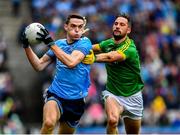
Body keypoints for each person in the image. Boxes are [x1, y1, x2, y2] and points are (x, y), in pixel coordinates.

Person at [21, 14, 92, 134]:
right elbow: (39, 65)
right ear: (66, 26)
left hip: (76, 100)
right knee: (49, 123)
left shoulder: (85, 43)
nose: (77, 30)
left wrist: (51, 44)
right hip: (56, 94)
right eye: (73, 26)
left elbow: (71, 62)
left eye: (80, 27)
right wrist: (26, 46)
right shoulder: (59, 44)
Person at [83, 13, 144, 134]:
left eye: (122, 24)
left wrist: (94, 58)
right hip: (113, 94)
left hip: (133, 97)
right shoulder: (108, 43)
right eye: (116, 24)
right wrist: (75, 43)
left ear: (128, 30)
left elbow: (112, 56)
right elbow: (89, 47)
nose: (117, 26)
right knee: (112, 120)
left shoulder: (129, 48)